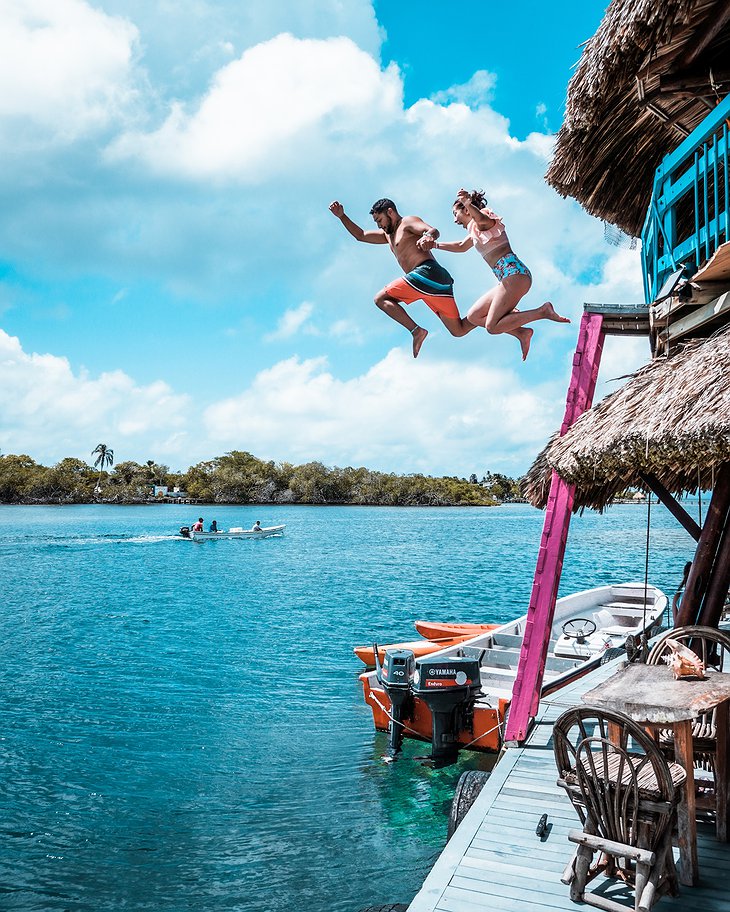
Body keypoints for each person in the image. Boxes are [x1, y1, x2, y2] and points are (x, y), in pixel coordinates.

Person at [421, 189, 570, 360]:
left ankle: (543, 312)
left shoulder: (485, 220)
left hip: (515, 275)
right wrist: (435, 245)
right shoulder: (475, 230)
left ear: (467, 210)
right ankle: (522, 333)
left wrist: (468, 202)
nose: (455, 220)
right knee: (475, 316)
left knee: (492, 327)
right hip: (507, 278)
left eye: (456, 214)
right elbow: (461, 246)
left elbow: (482, 220)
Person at [329, 198, 474, 358]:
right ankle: (491, 312)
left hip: (427, 273)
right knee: (458, 330)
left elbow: (432, 230)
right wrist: (342, 216)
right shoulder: (387, 235)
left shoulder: (407, 222)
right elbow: (361, 235)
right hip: (435, 284)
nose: (379, 225)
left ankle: (416, 331)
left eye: (380, 220)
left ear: (390, 212)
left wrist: (428, 237)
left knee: (380, 299)